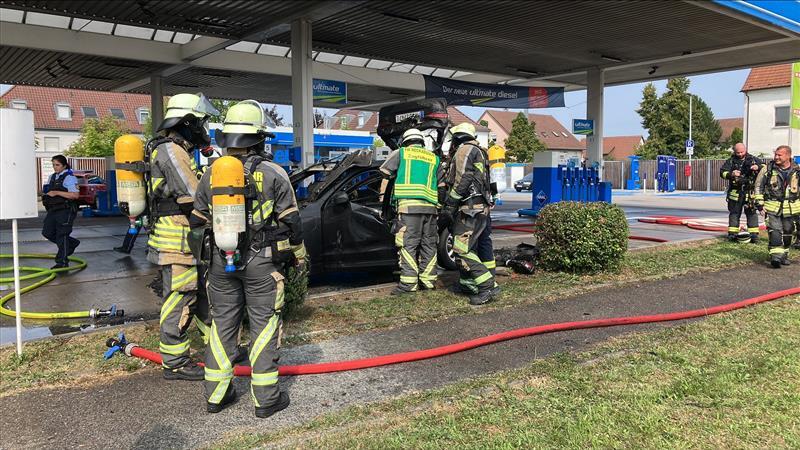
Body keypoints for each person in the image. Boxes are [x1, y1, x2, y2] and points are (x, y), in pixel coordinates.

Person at [191, 100, 305, 417]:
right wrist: (298, 255)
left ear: (228, 138)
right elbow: (292, 223)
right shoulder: (274, 173)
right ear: (259, 138)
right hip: (262, 263)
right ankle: (266, 399)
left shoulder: (211, 174)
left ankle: (216, 395)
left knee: (221, 325)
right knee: (264, 326)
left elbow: (197, 220)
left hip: (220, 262)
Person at [146, 93, 218, 380]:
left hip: (187, 240)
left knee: (201, 294)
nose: (203, 129)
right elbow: (192, 196)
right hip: (176, 241)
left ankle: (218, 347)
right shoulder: (171, 151)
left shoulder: (179, 150)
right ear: (187, 123)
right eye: (200, 123)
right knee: (180, 299)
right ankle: (174, 361)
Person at [442, 123, 500, 305]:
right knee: (479, 246)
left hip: (469, 208)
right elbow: (487, 180)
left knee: (461, 249)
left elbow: (464, 178)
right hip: (481, 207)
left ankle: (487, 286)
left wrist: (450, 202)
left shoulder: (464, 149)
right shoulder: (481, 151)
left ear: (458, 137)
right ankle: (468, 283)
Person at [380, 128, 441, 293]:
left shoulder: (401, 153)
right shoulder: (434, 158)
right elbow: (441, 185)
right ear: (421, 142)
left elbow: (385, 173)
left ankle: (408, 284)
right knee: (429, 245)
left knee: (408, 245)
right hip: (431, 209)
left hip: (408, 208)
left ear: (405, 141)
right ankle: (428, 282)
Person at [753, 145, 799, 268]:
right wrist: (759, 204)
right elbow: (758, 186)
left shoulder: (797, 170)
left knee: (788, 231)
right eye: (775, 154)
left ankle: (784, 255)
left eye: (779, 155)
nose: (776, 157)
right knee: (775, 231)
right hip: (772, 207)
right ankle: (776, 257)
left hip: (791, 208)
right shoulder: (767, 169)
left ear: (788, 156)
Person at [41, 155, 80, 269]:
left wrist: (57, 193)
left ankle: (62, 262)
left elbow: (75, 195)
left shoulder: (70, 178)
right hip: (53, 210)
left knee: (62, 235)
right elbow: (48, 191)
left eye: (57, 165)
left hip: (66, 210)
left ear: (64, 165)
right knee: (47, 232)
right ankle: (72, 243)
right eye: (53, 165)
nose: (55, 167)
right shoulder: (52, 177)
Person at [720, 143, 763, 242]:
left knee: (752, 213)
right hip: (736, 192)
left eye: (741, 152)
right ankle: (732, 235)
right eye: (737, 152)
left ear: (745, 149)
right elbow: (722, 172)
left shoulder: (753, 159)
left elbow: (765, 167)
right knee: (734, 214)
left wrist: (757, 167)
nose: (740, 154)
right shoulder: (731, 161)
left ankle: (754, 235)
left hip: (749, 192)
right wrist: (731, 174)